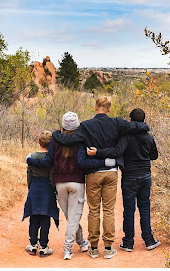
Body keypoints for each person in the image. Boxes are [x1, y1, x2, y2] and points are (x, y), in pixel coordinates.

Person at [51, 96, 150, 260]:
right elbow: (136, 126)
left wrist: (56, 134)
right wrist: (145, 126)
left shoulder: (86, 126)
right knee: (109, 210)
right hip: (111, 172)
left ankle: (95, 248)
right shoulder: (117, 123)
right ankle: (109, 248)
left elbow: (69, 140)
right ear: (109, 109)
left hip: (93, 173)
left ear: (96, 107)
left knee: (94, 210)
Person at [26, 112, 116, 260]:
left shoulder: (55, 141)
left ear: (63, 125)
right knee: (73, 218)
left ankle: (81, 242)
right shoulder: (81, 141)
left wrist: (30, 160)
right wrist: (104, 162)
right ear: (77, 126)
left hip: (60, 183)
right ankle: (68, 249)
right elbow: (83, 163)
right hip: (77, 183)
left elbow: (47, 162)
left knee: (71, 218)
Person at [87, 108, 161, 252]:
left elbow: (116, 151)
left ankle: (128, 243)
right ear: (143, 122)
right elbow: (154, 156)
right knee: (144, 207)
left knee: (129, 209)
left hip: (129, 177)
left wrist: (98, 152)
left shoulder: (126, 136)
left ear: (130, 121)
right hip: (145, 175)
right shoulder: (149, 137)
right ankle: (149, 240)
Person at [23, 130, 59, 257]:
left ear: (39, 141)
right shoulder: (51, 159)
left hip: (35, 188)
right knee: (45, 218)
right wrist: (54, 190)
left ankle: (33, 246)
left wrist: (31, 189)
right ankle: (44, 247)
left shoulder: (31, 157)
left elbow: (29, 175)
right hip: (47, 189)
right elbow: (52, 176)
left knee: (34, 217)